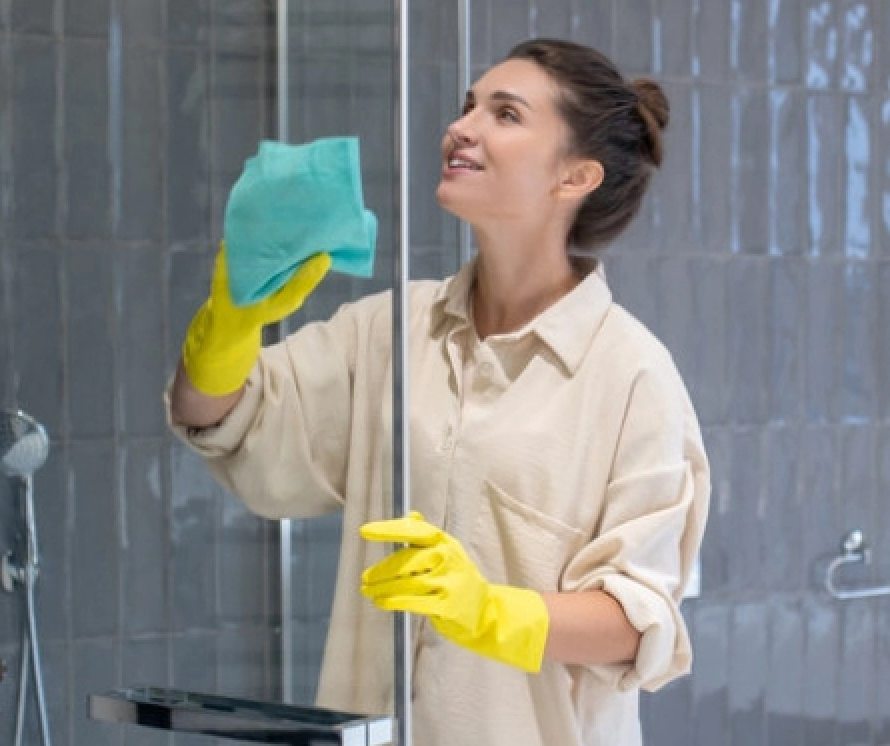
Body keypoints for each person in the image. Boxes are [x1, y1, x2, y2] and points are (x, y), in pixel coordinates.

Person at [166, 38, 709, 746]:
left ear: (575, 176)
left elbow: (640, 623)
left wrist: (491, 611)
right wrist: (229, 325)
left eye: (505, 114)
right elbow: (222, 422)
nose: (461, 128)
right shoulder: (391, 329)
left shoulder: (631, 375)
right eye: (468, 106)